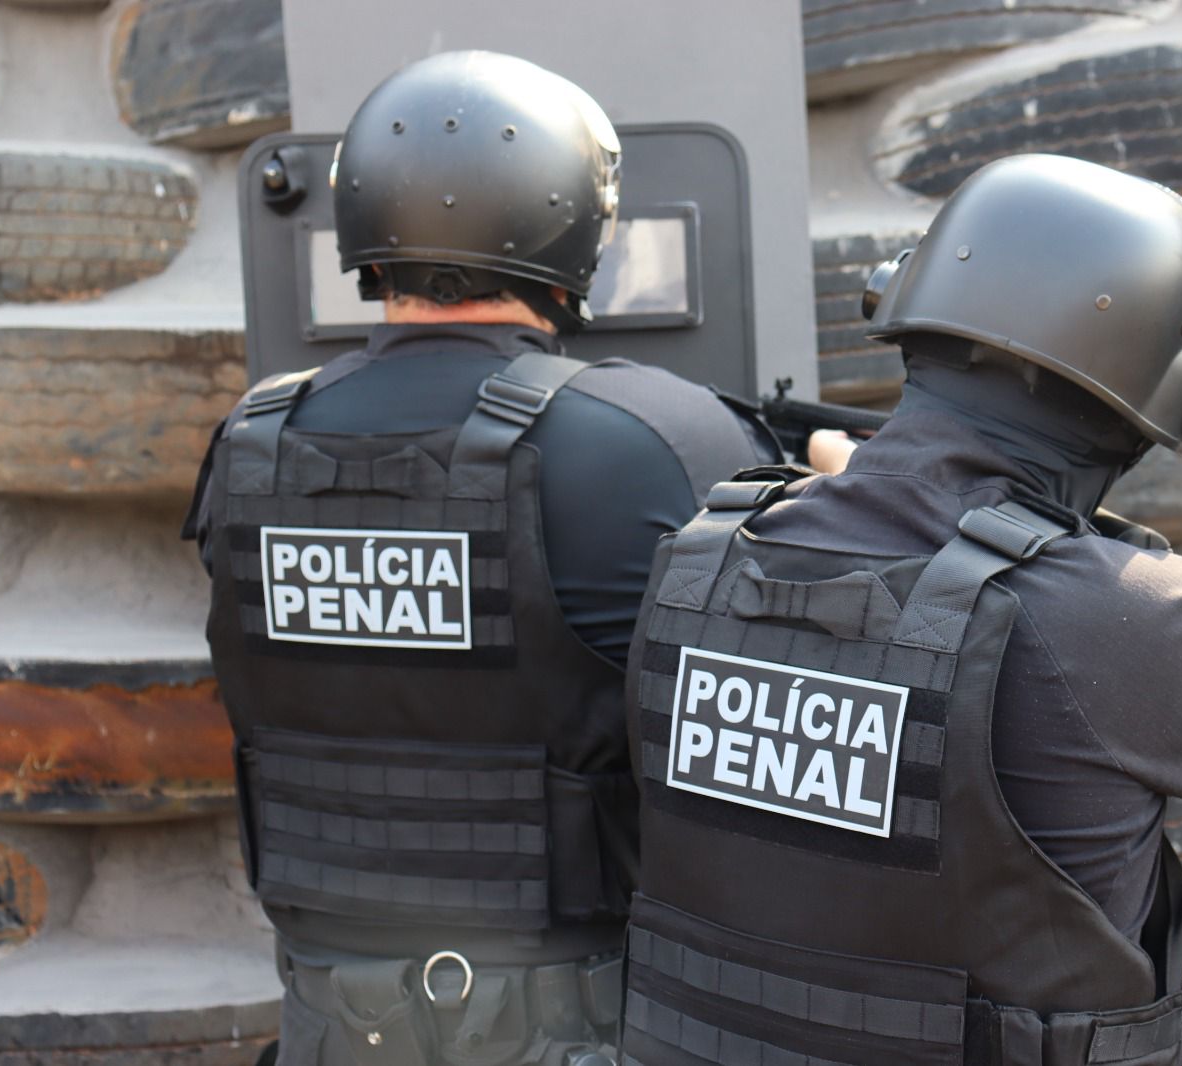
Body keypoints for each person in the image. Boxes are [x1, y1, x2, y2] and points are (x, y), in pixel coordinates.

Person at [620, 154, 1182, 1065]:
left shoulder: (699, 558)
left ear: (909, 305)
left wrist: (864, 489)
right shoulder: (1128, 615)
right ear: (1179, 398)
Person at [183, 51, 784, 1066]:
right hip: (587, 1024)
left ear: (367, 229)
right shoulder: (654, 436)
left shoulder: (252, 445)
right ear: (573, 223)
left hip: (333, 1027)